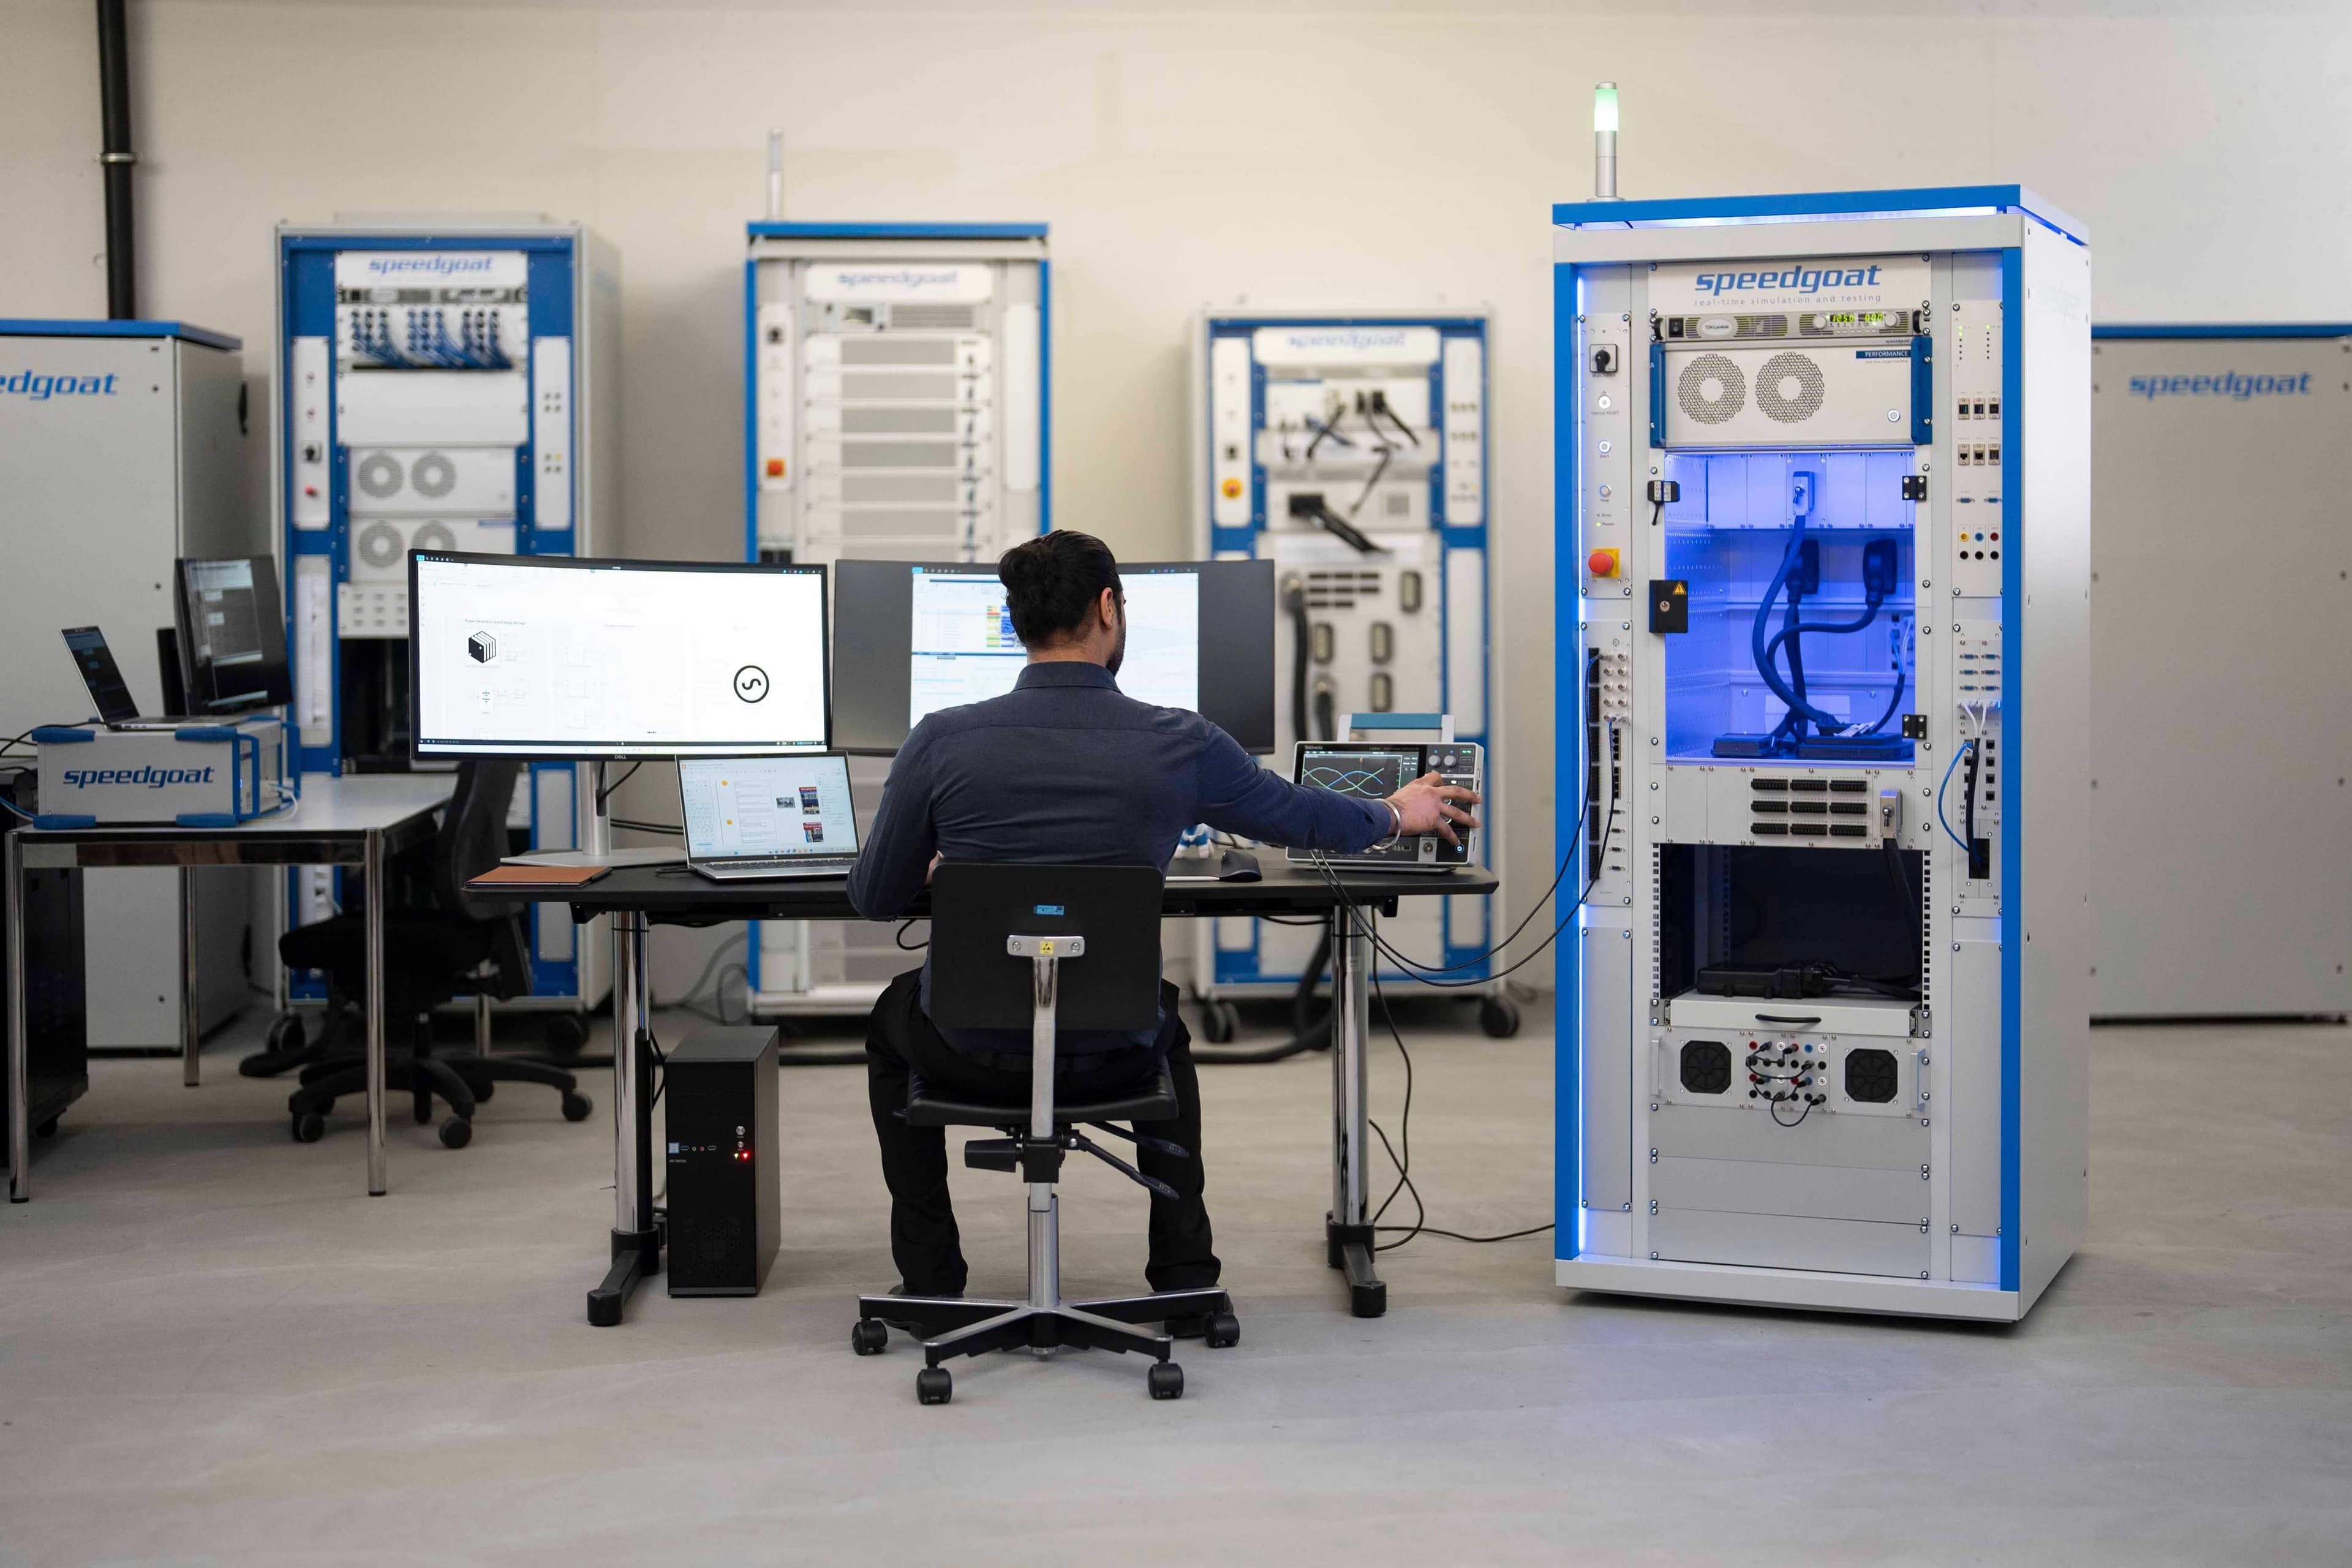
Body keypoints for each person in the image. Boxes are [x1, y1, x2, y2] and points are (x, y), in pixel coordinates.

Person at [847, 529, 1479, 1316]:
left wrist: (946, 872)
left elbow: (874, 893)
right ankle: (1184, 1274)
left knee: (889, 1023)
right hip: (1114, 1050)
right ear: (1108, 608)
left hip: (968, 1053)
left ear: (1017, 625)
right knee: (1165, 1026)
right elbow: (1298, 816)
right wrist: (1394, 809)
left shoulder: (939, 740)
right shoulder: (1179, 742)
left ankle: (933, 1278)